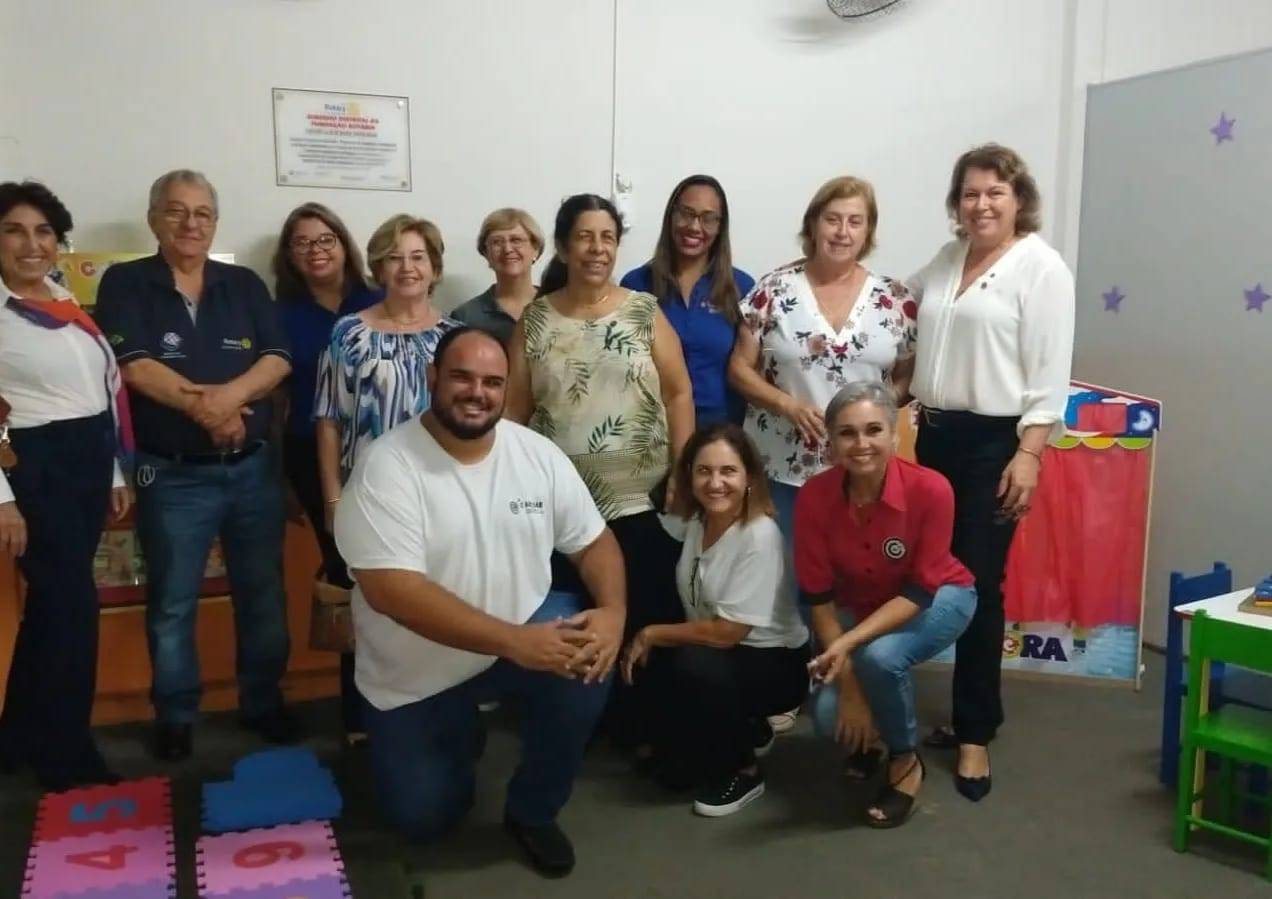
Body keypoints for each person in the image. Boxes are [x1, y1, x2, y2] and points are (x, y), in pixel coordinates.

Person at [334, 327, 625, 877]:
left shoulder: (535, 453)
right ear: (432, 378)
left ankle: (533, 811)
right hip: (416, 675)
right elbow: (393, 593)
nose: (477, 393)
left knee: (587, 654)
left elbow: (594, 542)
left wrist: (614, 613)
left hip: (517, 636)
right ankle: (453, 732)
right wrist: (513, 642)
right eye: (462, 377)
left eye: (492, 382)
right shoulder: (386, 467)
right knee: (425, 819)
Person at [95, 170, 295, 761]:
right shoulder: (126, 282)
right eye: (177, 211)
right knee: (173, 601)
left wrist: (227, 401)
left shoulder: (243, 284)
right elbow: (133, 365)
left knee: (262, 596)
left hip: (253, 470)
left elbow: (278, 358)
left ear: (215, 222)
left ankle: (263, 703)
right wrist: (210, 411)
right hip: (173, 475)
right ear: (154, 219)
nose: (190, 223)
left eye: (202, 213)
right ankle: (176, 715)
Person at [907, 143, 1074, 800]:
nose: (981, 204)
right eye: (970, 193)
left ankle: (975, 731)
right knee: (938, 577)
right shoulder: (948, 259)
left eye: (994, 193)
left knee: (977, 584)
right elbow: (896, 306)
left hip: (995, 446)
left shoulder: (1042, 268)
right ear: (957, 202)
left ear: (1018, 199)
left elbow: (1049, 374)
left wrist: (1029, 453)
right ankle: (961, 710)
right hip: (935, 438)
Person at [506, 193, 694, 751]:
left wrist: (682, 470)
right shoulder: (536, 319)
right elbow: (514, 412)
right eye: (585, 237)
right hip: (561, 508)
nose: (597, 248)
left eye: (607, 237)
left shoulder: (643, 311)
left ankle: (643, 730)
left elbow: (679, 393)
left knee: (645, 612)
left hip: (641, 498)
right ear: (564, 247)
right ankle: (585, 725)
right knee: (577, 620)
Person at [0, 181, 133, 790]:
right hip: (34, 466)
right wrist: (3, 501)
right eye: (14, 231)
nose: (32, 244)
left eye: (44, 232)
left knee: (52, 610)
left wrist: (112, 471)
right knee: (73, 611)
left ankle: (17, 738)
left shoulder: (61, 299)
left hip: (85, 461)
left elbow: (97, 392)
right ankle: (67, 756)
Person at [798, 382, 977, 828]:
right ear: (831, 440)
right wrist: (850, 689)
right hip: (860, 606)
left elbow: (919, 592)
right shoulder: (813, 497)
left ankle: (904, 759)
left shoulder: (932, 489)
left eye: (873, 430)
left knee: (879, 658)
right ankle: (874, 739)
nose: (861, 443)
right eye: (847, 433)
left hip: (941, 596)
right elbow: (818, 598)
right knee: (829, 718)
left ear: (895, 435)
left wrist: (847, 648)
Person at [313, 213, 459, 743]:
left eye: (418, 256)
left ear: (434, 266)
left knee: (436, 603)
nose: (407, 267)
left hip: (438, 497)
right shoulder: (349, 332)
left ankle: (434, 713)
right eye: (395, 257)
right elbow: (328, 419)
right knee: (369, 605)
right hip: (367, 497)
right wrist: (332, 497)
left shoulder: (453, 337)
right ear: (378, 267)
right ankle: (364, 721)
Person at [622, 423, 809, 817]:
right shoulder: (697, 521)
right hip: (722, 652)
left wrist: (652, 633)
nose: (715, 483)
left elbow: (727, 633)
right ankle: (749, 729)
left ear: (749, 478)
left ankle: (744, 770)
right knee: (672, 775)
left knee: (692, 662)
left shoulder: (759, 536)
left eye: (728, 471)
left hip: (774, 662)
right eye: (704, 471)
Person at [728, 175, 917, 545]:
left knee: (857, 568)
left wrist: (872, 413)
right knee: (785, 569)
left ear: (868, 232)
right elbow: (738, 368)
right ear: (813, 225)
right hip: (783, 467)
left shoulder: (895, 298)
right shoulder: (774, 289)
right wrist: (786, 405)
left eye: (855, 221)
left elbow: (909, 377)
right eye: (832, 219)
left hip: (864, 468)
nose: (843, 232)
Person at [620, 175, 754, 426]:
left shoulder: (741, 288)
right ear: (670, 216)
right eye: (686, 213)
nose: (694, 226)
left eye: (708, 218)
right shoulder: (636, 285)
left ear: (720, 226)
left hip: (721, 432)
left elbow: (751, 370)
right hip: (652, 427)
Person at [450, 208, 544, 344]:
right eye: (497, 242)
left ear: (535, 248)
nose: (507, 249)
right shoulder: (465, 317)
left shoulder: (559, 305)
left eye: (516, 240)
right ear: (486, 253)